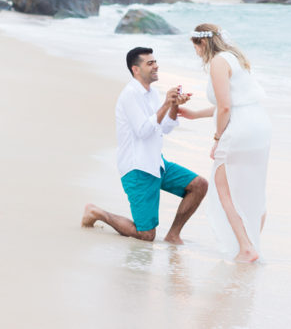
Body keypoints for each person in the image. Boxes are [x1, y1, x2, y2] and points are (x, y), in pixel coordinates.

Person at [81, 47, 208, 244]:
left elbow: (165, 128)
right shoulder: (129, 95)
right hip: (137, 168)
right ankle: (96, 212)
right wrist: (166, 104)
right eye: (150, 63)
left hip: (156, 163)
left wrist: (173, 105)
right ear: (136, 69)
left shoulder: (152, 93)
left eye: (155, 62)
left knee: (199, 185)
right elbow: (143, 131)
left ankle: (173, 234)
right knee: (146, 235)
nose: (156, 66)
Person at [179, 24, 271, 262]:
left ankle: (246, 248)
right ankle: (252, 243)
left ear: (202, 43)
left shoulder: (218, 62)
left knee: (224, 189)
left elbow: (227, 108)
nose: (197, 53)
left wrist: (218, 139)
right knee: (253, 186)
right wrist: (194, 114)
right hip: (259, 124)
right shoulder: (236, 58)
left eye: (196, 48)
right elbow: (230, 103)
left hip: (240, 128)